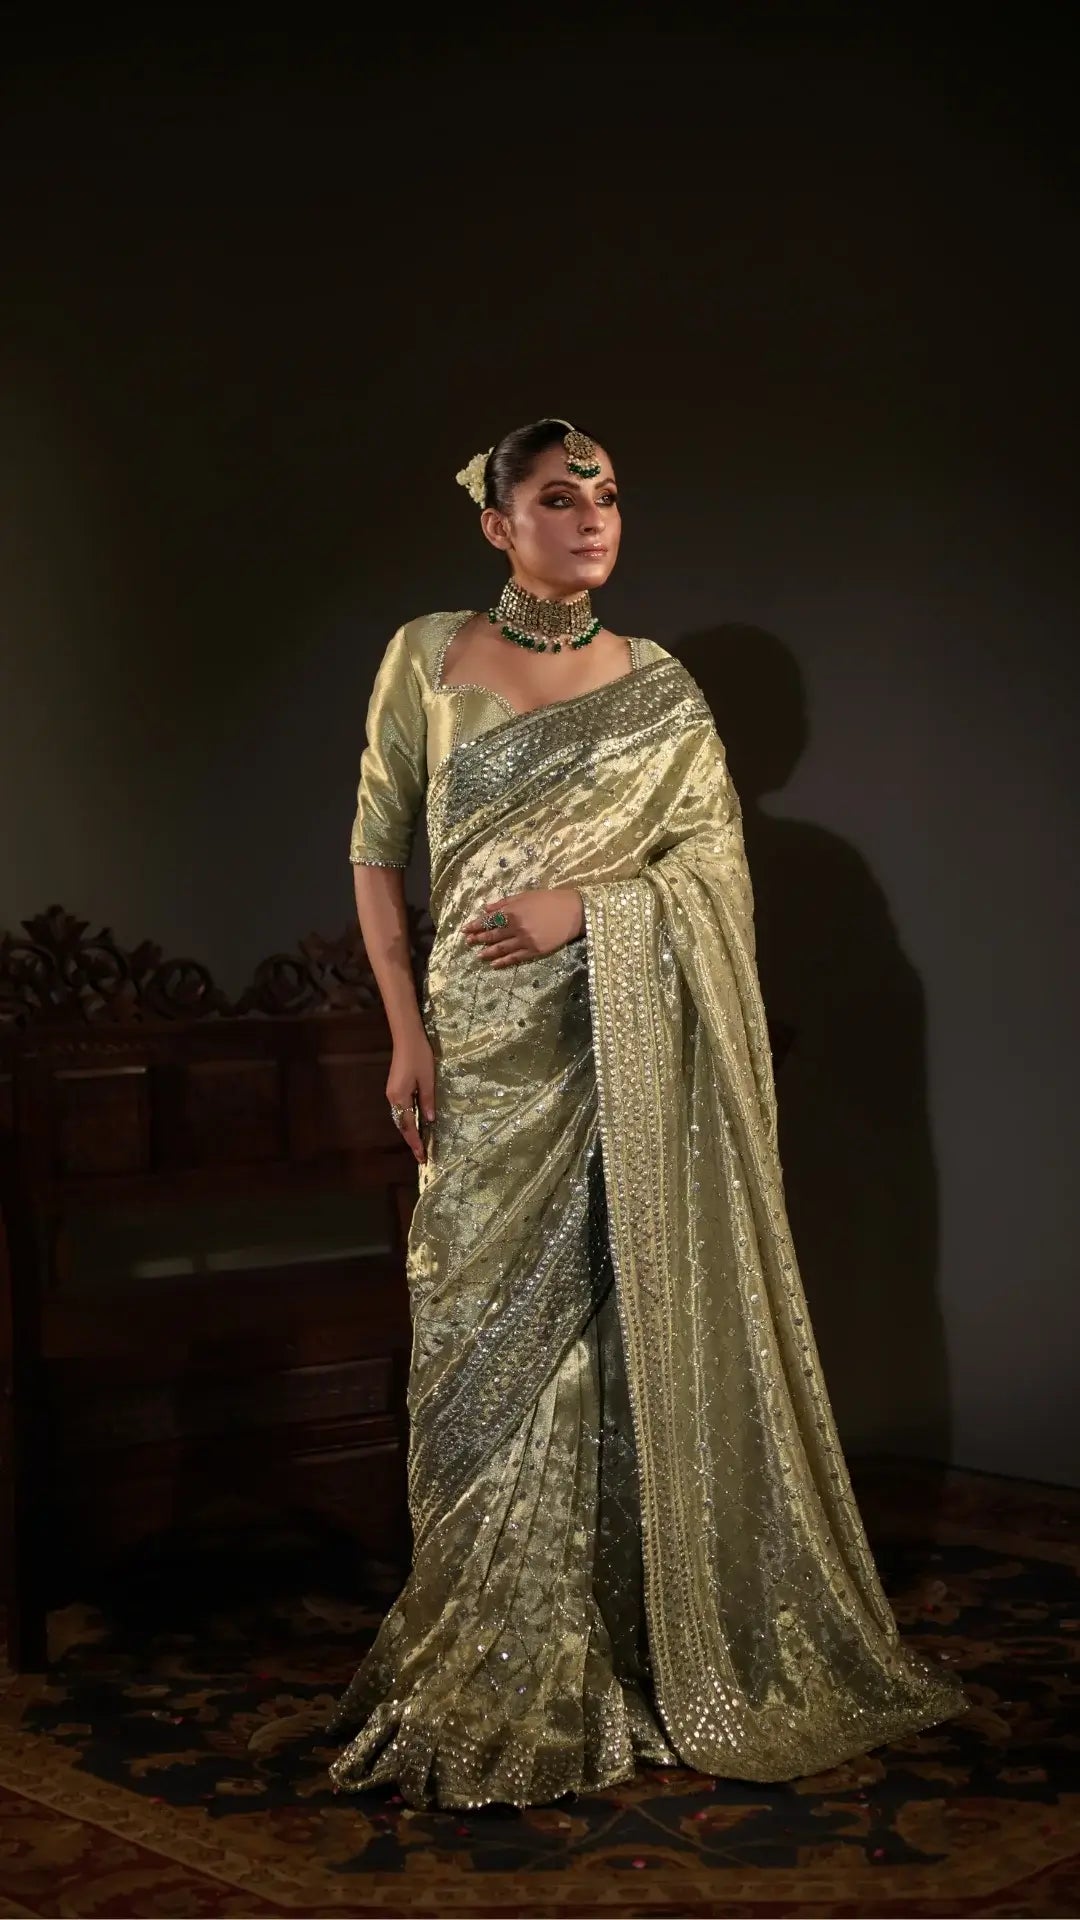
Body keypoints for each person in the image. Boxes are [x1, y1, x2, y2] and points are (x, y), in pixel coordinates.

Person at [324, 417, 968, 1811]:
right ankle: (493, 1655)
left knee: (624, 1328)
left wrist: (591, 910)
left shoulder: (660, 688)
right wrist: (403, 1032)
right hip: (484, 1056)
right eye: (559, 498)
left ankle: (628, 1637)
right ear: (497, 523)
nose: (594, 517)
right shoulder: (427, 656)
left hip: (626, 1054)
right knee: (482, 1342)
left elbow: (711, 879)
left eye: (607, 495)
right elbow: (381, 850)